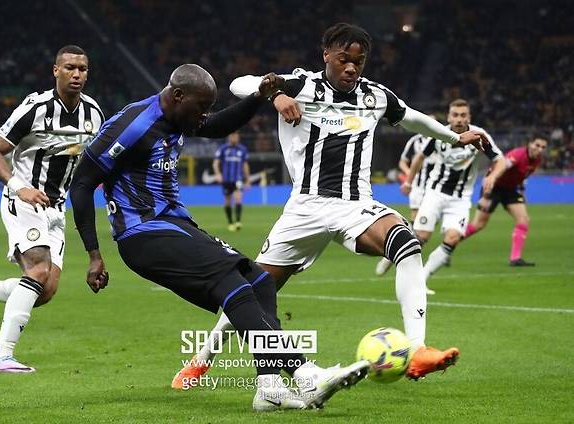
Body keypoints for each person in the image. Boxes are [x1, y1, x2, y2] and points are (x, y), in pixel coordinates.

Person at [173, 23, 488, 387]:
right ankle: (202, 359)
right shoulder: (301, 85)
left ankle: (417, 349)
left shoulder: (375, 96)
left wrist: (455, 138)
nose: (351, 68)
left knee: (407, 244)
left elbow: (413, 118)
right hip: (304, 209)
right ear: (326, 55)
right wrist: (274, 95)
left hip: (355, 206)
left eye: (359, 61)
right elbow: (239, 83)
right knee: (254, 288)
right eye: (343, 60)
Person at [69, 64, 368, 411]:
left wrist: (258, 97)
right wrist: (93, 253)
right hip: (143, 233)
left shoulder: (179, 116)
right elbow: (82, 183)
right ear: (177, 96)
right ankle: (306, 375)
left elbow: (217, 126)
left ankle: (270, 387)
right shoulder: (133, 125)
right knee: (232, 283)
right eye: (201, 107)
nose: (203, 115)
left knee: (260, 282)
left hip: (173, 224)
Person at [0, 45, 105, 373]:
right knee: (37, 270)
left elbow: (92, 167)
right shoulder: (35, 109)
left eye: (82, 69)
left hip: (57, 207)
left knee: (44, 291)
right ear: (56, 71)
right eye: (69, 68)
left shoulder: (94, 115)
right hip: (23, 199)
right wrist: (19, 187)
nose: (76, 74)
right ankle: (1, 356)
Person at [402, 99, 504, 294]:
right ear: (449, 117)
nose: (459, 119)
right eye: (455, 115)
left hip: (461, 198)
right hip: (435, 192)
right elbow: (419, 157)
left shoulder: (479, 135)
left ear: (469, 117)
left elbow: (500, 160)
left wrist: (492, 175)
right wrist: (408, 182)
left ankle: (421, 280)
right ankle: (397, 256)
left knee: (453, 238)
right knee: (421, 237)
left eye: (463, 115)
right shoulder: (439, 133)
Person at [463, 135, 548, 266]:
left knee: (523, 220)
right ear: (530, 144)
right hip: (494, 187)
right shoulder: (517, 155)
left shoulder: (537, 160)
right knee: (478, 225)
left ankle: (515, 259)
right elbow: (496, 168)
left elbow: (522, 175)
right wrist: (485, 194)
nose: (540, 149)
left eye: (543, 147)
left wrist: (521, 191)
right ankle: (449, 244)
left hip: (510, 190)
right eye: (537, 145)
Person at [375, 124, 438, 276]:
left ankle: (397, 251)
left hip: (436, 189)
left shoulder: (440, 141)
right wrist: (410, 173)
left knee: (424, 227)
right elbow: (403, 161)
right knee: (417, 224)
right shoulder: (415, 141)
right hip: (418, 187)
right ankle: (400, 252)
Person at [213, 131, 250, 231]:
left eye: (236, 135)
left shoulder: (242, 149)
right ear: (229, 137)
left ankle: (238, 221)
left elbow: (245, 165)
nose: (234, 137)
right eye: (232, 135)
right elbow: (215, 162)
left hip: (238, 179)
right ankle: (230, 222)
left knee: (238, 198)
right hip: (226, 179)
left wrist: (247, 179)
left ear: (238, 137)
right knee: (227, 200)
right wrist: (218, 174)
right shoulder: (223, 148)